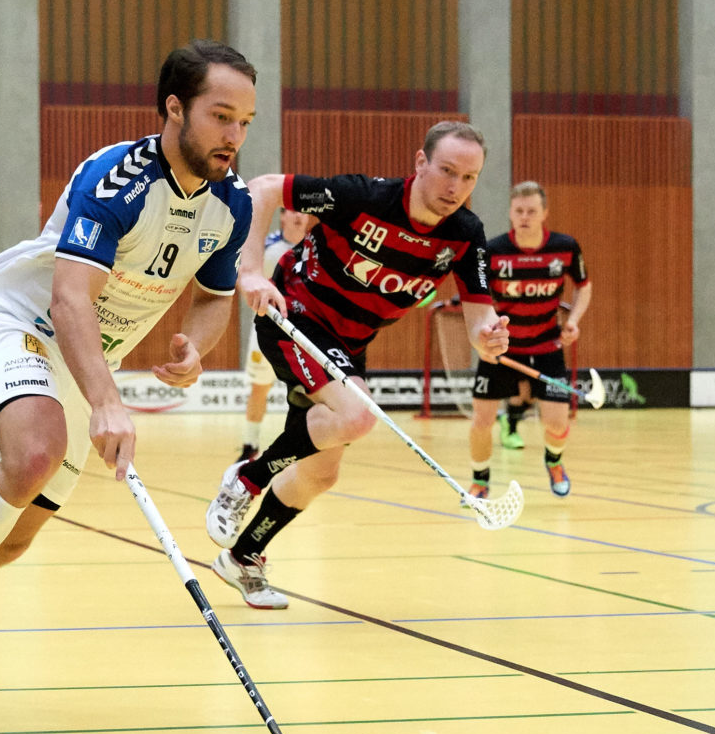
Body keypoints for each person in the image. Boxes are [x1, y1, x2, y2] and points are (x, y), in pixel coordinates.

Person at [0, 39, 257, 702]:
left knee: (6, 542)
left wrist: (196, 348)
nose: (234, 136)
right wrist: (108, 401)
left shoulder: (231, 206)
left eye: (244, 122)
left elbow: (213, 297)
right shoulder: (117, 178)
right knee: (34, 453)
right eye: (220, 116)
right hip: (18, 319)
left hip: (86, 355)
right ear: (175, 108)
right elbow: (67, 299)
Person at [205, 120, 511, 609]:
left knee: (322, 473)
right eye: (447, 170)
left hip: (349, 345)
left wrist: (489, 338)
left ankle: (244, 557)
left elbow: (479, 318)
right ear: (420, 163)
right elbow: (262, 189)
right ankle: (247, 478)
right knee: (357, 415)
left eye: (469, 178)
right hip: (294, 315)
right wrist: (251, 273)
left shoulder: (465, 236)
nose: (455, 187)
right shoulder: (362, 197)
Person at [468, 180, 591, 498]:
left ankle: (554, 461)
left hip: (547, 347)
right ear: (510, 212)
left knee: (555, 424)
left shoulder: (564, 248)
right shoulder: (493, 251)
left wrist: (573, 321)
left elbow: (583, 285)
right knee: (481, 421)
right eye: (519, 211)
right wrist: (484, 338)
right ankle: (480, 482)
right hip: (501, 349)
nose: (525, 217)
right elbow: (477, 296)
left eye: (532, 211)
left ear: (544, 213)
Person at [233, 207, 312, 463]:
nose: (299, 216)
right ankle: (250, 444)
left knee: (306, 392)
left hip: (304, 333)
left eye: (304, 212)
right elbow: (241, 275)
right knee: (259, 388)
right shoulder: (268, 246)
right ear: (283, 216)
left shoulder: (315, 249)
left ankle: (302, 446)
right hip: (268, 329)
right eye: (293, 211)